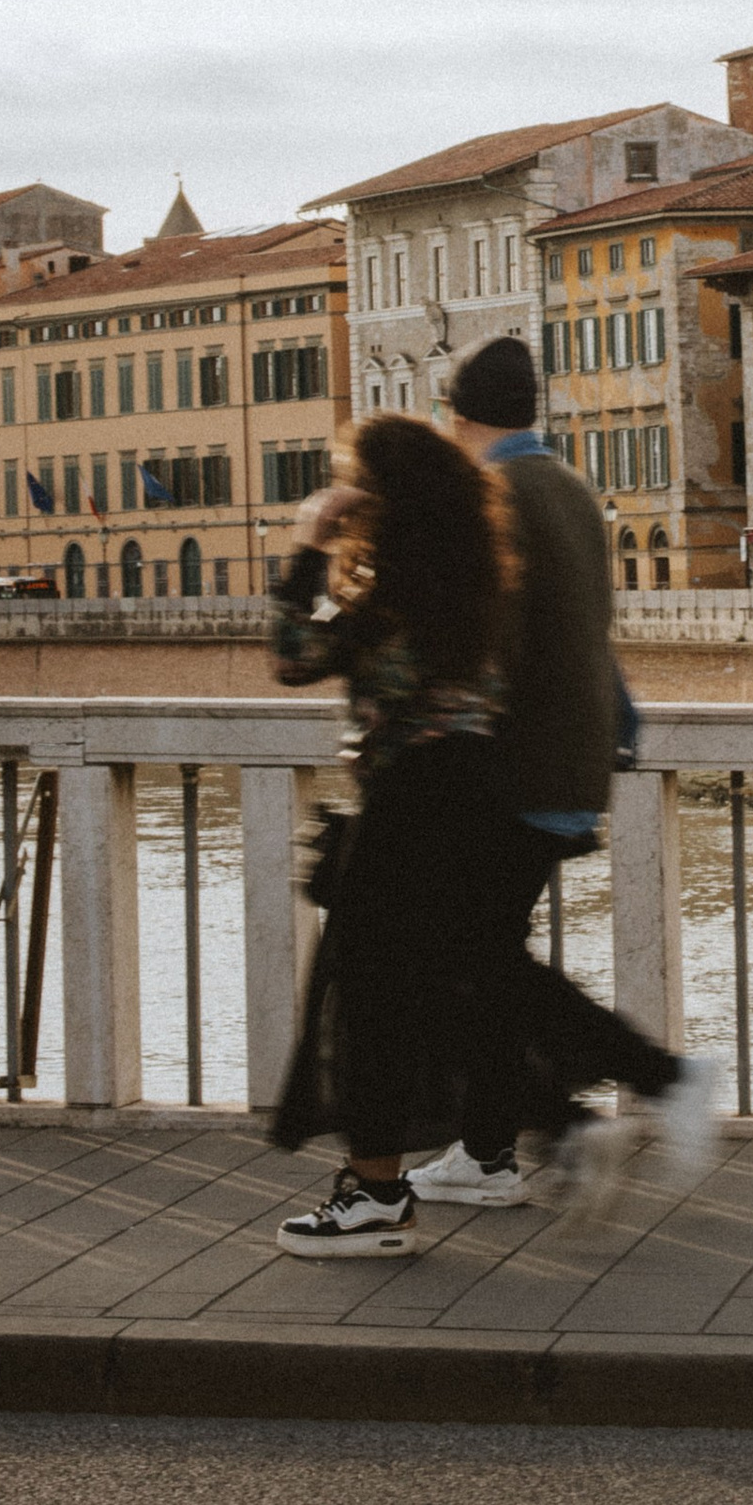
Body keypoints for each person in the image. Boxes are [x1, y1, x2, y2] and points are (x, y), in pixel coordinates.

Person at [410, 337, 715, 1223]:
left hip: (512, 764)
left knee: (458, 958)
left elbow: (494, 639)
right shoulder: (573, 488)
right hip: (577, 756)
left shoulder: (491, 494)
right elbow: (586, 626)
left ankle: (650, 1082)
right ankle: (491, 1150)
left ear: (455, 414)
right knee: (485, 955)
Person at [266, 413, 523, 1252]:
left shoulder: (393, 591)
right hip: (477, 796)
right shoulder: (472, 577)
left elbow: (294, 656)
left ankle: (377, 1198)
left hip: (412, 801)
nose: (342, 494)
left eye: (352, 480)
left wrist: (309, 542)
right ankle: (468, 1159)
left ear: (379, 498)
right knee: (449, 989)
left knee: (368, 1002)